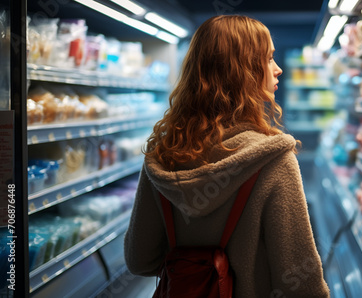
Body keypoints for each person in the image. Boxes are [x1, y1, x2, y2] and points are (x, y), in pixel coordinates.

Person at [124, 15, 330, 297]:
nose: (278, 69)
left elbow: (140, 260)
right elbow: (302, 285)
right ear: (242, 71)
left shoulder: (165, 155)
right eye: (268, 59)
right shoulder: (274, 160)